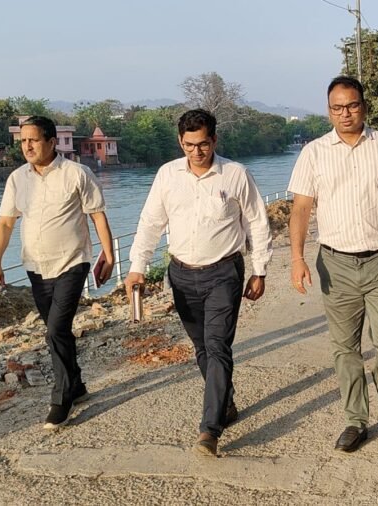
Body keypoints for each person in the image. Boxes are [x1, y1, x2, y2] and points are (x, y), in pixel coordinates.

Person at [288, 76, 378, 453]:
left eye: (352, 106)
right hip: (336, 264)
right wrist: (297, 258)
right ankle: (355, 420)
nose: (345, 114)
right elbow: (301, 208)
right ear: (328, 110)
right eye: (337, 108)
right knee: (345, 348)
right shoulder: (314, 153)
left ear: (364, 106)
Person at [125, 109, 272, 457]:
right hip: (181, 275)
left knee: (217, 345)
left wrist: (260, 269)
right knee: (202, 348)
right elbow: (150, 222)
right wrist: (137, 267)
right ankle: (225, 402)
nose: (197, 152)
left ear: (214, 140)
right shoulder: (167, 175)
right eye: (189, 145)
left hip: (223, 273)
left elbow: (257, 221)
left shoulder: (235, 174)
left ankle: (210, 430)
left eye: (203, 144)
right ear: (180, 142)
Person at [0, 115, 115, 430]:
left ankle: (61, 399)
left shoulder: (77, 173)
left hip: (72, 262)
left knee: (55, 330)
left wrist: (109, 254)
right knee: (58, 330)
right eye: (23, 141)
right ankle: (77, 384)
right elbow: (5, 223)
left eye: (33, 140)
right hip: (35, 266)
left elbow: (97, 215)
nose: (27, 146)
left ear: (51, 141)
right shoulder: (17, 179)